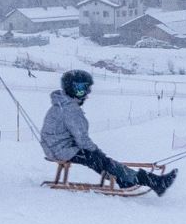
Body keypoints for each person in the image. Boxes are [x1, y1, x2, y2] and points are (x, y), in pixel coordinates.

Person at [39, 70, 178, 195]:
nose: (86, 94)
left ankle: (127, 180)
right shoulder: (70, 109)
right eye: (81, 89)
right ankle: (151, 182)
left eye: (87, 89)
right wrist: (98, 153)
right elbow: (82, 139)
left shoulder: (65, 105)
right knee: (99, 160)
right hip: (60, 150)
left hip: (59, 147)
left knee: (99, 160)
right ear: (71, 89)